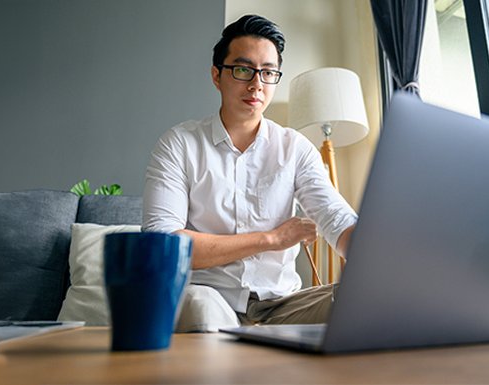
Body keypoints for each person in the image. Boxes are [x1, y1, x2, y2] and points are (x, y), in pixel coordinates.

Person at [143, 14, 357, 326]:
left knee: (360, 302)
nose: (256, 84)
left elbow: (337, 220)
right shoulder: (179, 144)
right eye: (244, 70)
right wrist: (270, 239)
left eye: (268, 72)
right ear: (217, 76)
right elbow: (162, 244)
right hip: (209, 300)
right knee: (201, 308)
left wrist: (381, 255)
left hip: (283, 305)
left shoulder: (294, 147)